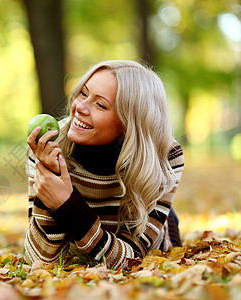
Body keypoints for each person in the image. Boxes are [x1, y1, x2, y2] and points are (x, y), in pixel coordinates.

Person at [24, 60, 184, 269]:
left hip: (150, 234)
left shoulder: (165, 154)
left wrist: (68, 204)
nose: (79, 107)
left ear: (129, 123)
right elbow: (40, 261)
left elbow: (131, 260)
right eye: (83, 93)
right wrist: (50, 186)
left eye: (100, 104)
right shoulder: (49, 144)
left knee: (164, 219)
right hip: (92, 243)